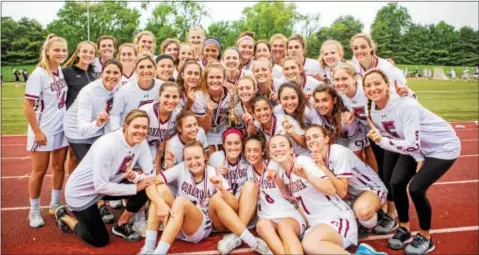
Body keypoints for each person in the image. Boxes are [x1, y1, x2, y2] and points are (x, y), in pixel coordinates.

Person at [363, 69, 461, 254]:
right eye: (368, 85)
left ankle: (425, 237)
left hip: (442, 146)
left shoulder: (405, 105)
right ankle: (404, 228)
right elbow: (402, 138)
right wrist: (417, 157)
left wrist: (382, 142)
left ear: (387, 85)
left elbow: (409, 142)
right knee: (396, 183)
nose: (373, 88)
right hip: (417, 148)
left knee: (416, 189)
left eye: (377, 83)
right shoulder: (374, 110)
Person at [140, 141, 270, 255]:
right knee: (160, 190)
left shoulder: (213, 172)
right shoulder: (181, 168)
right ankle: (148, 247)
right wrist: (160, 203)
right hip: (176, 220)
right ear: (184, 160)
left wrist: (222, 188)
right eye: (189, 159)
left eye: (197, 157)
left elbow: (235, 205)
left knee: (201, 199)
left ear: (205, 157)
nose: (193, 162)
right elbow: (150, 182)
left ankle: (253, 242)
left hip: (198, 226)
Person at [54, 109, 158, 247]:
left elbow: (150, 173)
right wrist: (135, 186)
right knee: (100, 240)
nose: (141, 131)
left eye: (144, 127)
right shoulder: (108, 145)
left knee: (146, 187)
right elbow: (101, 186)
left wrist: (138, 178)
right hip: (82, 194)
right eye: (136, 126)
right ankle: (64, 216)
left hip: (106, 187)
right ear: (125, 126)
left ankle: (121, 224)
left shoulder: (141, 142)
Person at [304, 125, 390, 238]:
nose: (312, 141)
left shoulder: (338, 152)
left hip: (370, 189)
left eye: (316, 136)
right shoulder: (311, 158)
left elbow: (342, 192)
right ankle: (355, 214)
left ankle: (381, 215)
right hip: (350, 194)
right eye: (308, 138)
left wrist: (324, 169)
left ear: (326, 139)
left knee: (362, 212)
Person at [24, 35, 69, 228]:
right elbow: (28, 105)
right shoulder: (39, 74)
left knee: (59, 167)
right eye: (57, 50)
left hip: (61, 127)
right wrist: (37, 132)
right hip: (43, 129)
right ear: (48, 51)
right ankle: (34, 211)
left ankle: (55, 203)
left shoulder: (59, 70)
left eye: (63, 50)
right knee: (39, 171)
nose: (60, 53)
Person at [245, 134, 306, 255]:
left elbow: (289, 193)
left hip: (289, 215)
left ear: (263, 151)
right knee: (261, 225)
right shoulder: (248, 170)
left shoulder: (276, 164)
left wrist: (277, 179)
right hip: (268, 218)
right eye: (248, 150)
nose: (252, 154)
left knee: (284, 225)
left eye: (256, 150)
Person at [207, 128, 262, 254]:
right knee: (217, 197)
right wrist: (216, 173)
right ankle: (241, 233)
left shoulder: (248, 158)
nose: (233, 147)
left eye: (237, 143)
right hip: (223, 214)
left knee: (250, 185)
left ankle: (236, 236)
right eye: (229, 143)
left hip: (243, 211)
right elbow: (207, 187)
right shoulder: (215, 158)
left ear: (242, 144)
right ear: (223, 144)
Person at [62, 41, 98, 174]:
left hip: (90, 120)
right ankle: (72, 186)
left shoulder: (94, 72)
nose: (87, 55)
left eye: (91, 52)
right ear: (78, 53)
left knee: (89, 157)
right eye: (84, 51)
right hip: (73, 121)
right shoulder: (67, 72)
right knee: (73, 157)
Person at [109, 53, 163, 132]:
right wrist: (117, 132)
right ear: (135, 70)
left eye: (149, 67)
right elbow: (115, 114)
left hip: (152, 132)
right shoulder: (124, 90)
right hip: (129, 132)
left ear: (155, 68)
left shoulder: (162, 87)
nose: (146, 70)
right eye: (141, 67)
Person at [350, 33, 414, 98]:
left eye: (363, 47)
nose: (359, 51)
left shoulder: (387, 67)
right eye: (355, 48)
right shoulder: (352, 68)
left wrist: (405, 93)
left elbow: (405, 93)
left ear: (371, 48)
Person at [139, 81, 182, 172]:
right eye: (167, 96)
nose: (171, 101)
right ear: (159, 97)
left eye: (175, 97)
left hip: (161, 148)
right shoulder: (145, 111)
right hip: (141, 145)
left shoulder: (178, 114)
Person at [192, 63, 233, 152]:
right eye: (211, 77)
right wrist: (209, 113)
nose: (215, 80)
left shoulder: (230, 93)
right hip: (207, 133)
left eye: (218, 77)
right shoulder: (199, 96)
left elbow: (232, 118)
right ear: (206, 79)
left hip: (224, 129)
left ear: (224, 79)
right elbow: (203, 129)